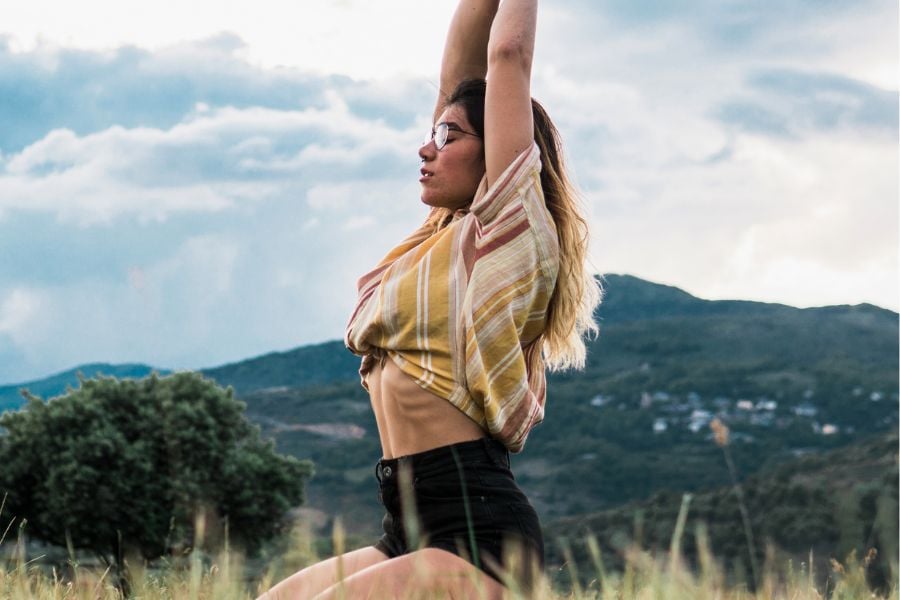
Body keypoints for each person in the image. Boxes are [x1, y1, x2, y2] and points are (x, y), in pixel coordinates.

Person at [258, 0, 601, 597]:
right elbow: (458, 79)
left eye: (450, 136)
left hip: (478, 534)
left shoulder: (504, 231)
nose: (427, 147)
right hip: (408, 527)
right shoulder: (442, 240)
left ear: (496, 153)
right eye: (431, 133)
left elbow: (507, 55)